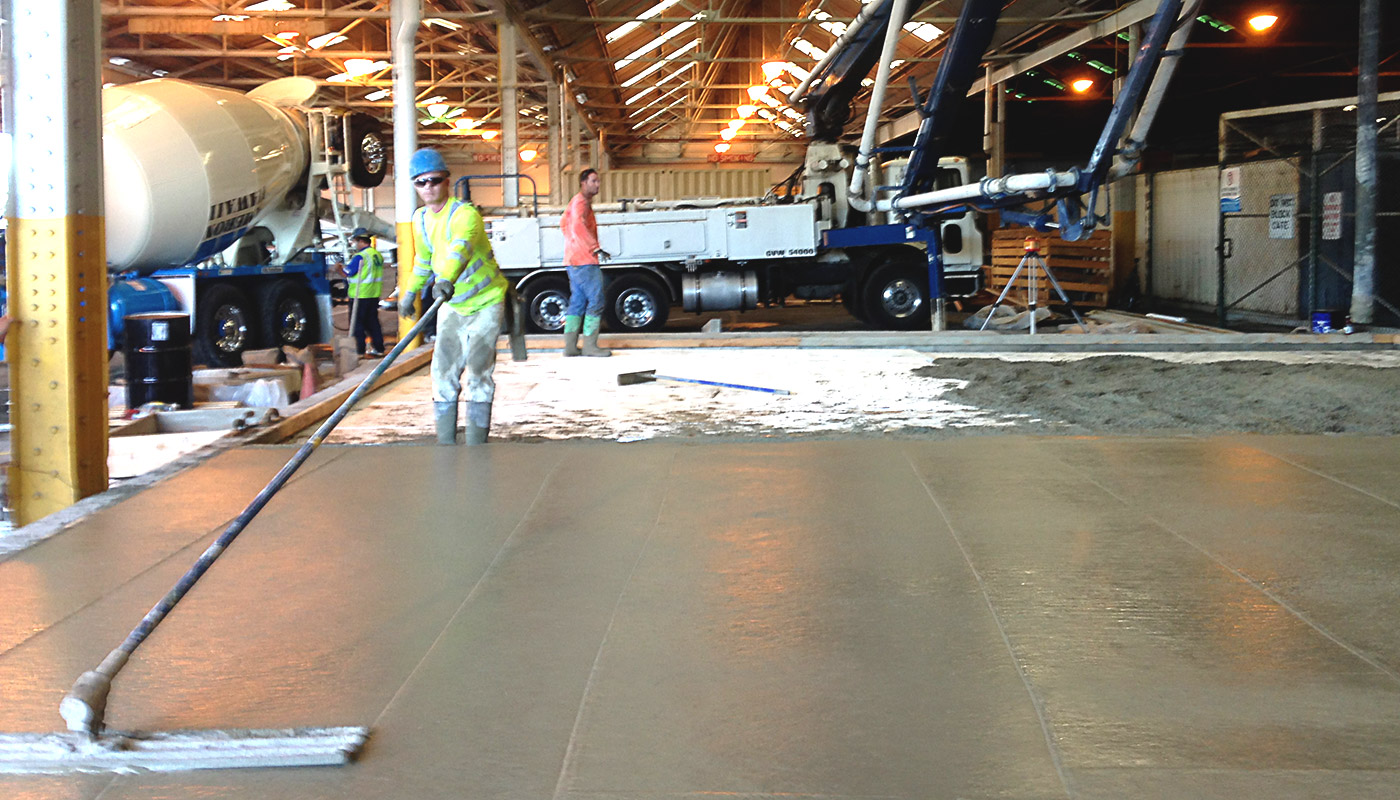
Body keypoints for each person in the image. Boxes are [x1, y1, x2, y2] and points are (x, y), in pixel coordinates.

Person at [398, 147, 509, 445]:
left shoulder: (465, 215)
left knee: (477, 371)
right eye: (420, 182)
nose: (428, 187)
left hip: (485, 303)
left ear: (447, 181)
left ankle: (475, 445)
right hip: (452, 305)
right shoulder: (420, 220)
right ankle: (446, 444)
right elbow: (423, 261)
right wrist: (409, 294)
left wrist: (444, 280)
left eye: (434, 180)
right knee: (443, 371)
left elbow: (460, 249)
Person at [559, 168, 612, 357]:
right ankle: (590, 346)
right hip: (584, 260)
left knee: (578, 302)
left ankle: (571, 347)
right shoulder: (580, 203)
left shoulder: (576, 203)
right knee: (596, 300)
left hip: (574, 259)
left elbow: (564, 224)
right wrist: (594, 247)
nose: (597, 185)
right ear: (583, 183)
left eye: (598, 181)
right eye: (594, 181)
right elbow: (577, 226)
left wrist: (573, 245)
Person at [342, 227, 385, 357]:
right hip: (373, 294)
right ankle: (379, 348)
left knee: (357, 324)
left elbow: (347, 273)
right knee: (372, 323)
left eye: (355, 241)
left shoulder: (360, 256)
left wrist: (338, 268)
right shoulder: (377, 255)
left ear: (360, 240)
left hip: (360, 295)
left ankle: (359, 350)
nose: (354, 244)